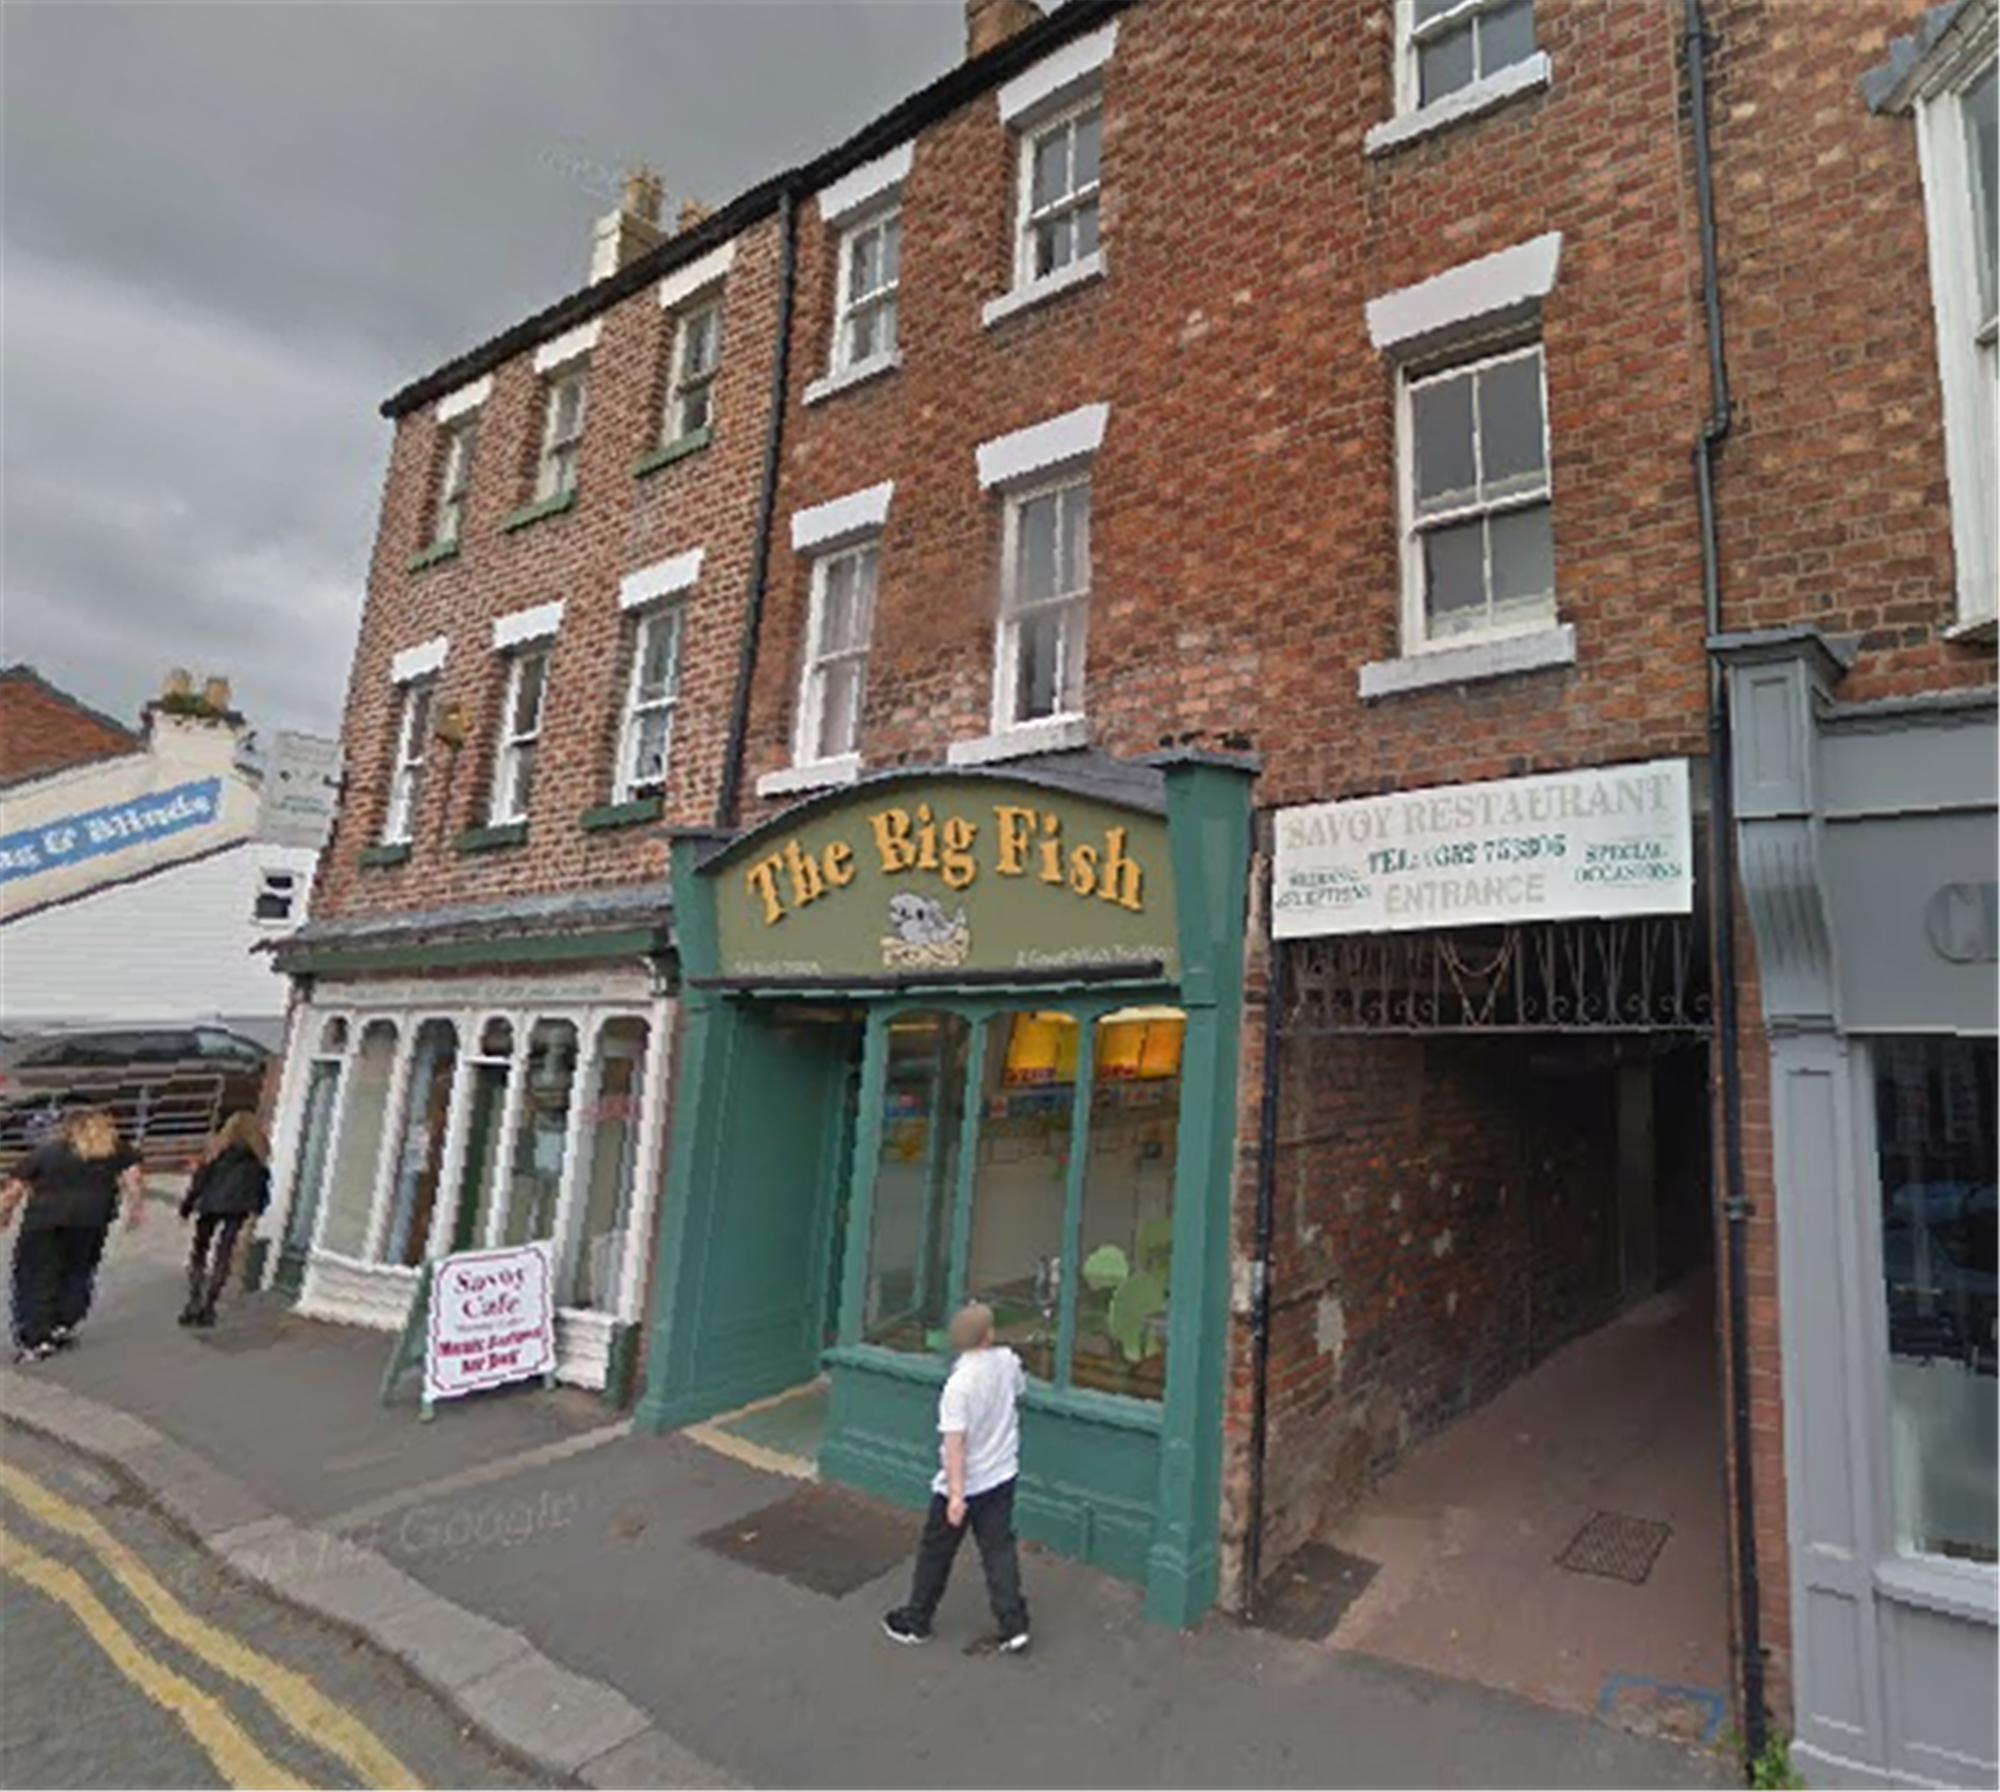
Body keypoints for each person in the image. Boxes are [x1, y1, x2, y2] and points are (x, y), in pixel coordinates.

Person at [882, 1302, 1031, 1654]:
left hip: (964, 1483)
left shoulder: (958, 1386)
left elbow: (955, 1445)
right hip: (1001, 1475)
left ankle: (917, 1620)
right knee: (998, 1551)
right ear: (988, 1335)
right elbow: (1019, 1390)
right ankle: (1014, 1625)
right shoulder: (1007, 1361)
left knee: (936, 1553)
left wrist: (955, 1495)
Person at [0, 1108, 146, 1362]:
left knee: (36, 1277)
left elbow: (13, 1191)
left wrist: (4, 1214)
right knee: (78, 1271)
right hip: (91, 1223)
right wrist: (135, 1209)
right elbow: (134, 1180)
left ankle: (36, 1337)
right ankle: (63, 1323)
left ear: (67, 1128)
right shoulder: (116, 1150)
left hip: (46, 1223)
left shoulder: (47, 1153)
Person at [177, 1111, 271, 1327]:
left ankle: (194, 1300)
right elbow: (261, 1185)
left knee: (200, 1250)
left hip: (210, 1204)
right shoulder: (257, 1155)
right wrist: (257, 1208)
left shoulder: (218, 1148)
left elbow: (201, 1178)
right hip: (237, 1208)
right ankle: (209, 1306)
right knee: (224, 1253)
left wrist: (187, 1206)